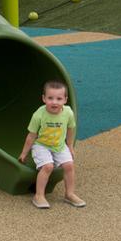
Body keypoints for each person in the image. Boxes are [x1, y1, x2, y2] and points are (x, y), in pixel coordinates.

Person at [18, 80, 85, 210]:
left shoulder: (68, 113)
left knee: (69, 165)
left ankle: (69, 194)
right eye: (50, 98)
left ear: (65, 100)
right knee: (48, 166)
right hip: (41, 145)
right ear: (44, 98)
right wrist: (24, 153)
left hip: (59, 145)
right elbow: (31, 136)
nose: (54, 102)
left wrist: (70, 146)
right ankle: (39, 195)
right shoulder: (39, 114)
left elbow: (71, 129)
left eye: (59, 99)